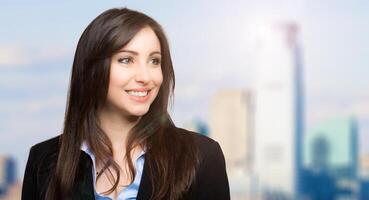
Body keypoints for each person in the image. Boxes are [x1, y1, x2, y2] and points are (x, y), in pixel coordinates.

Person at [21, 7, 230, 200]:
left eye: (154, 61)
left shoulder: (202, 157)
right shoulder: (44, 161)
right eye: (126, 60)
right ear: (93, 69)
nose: (146, 76)